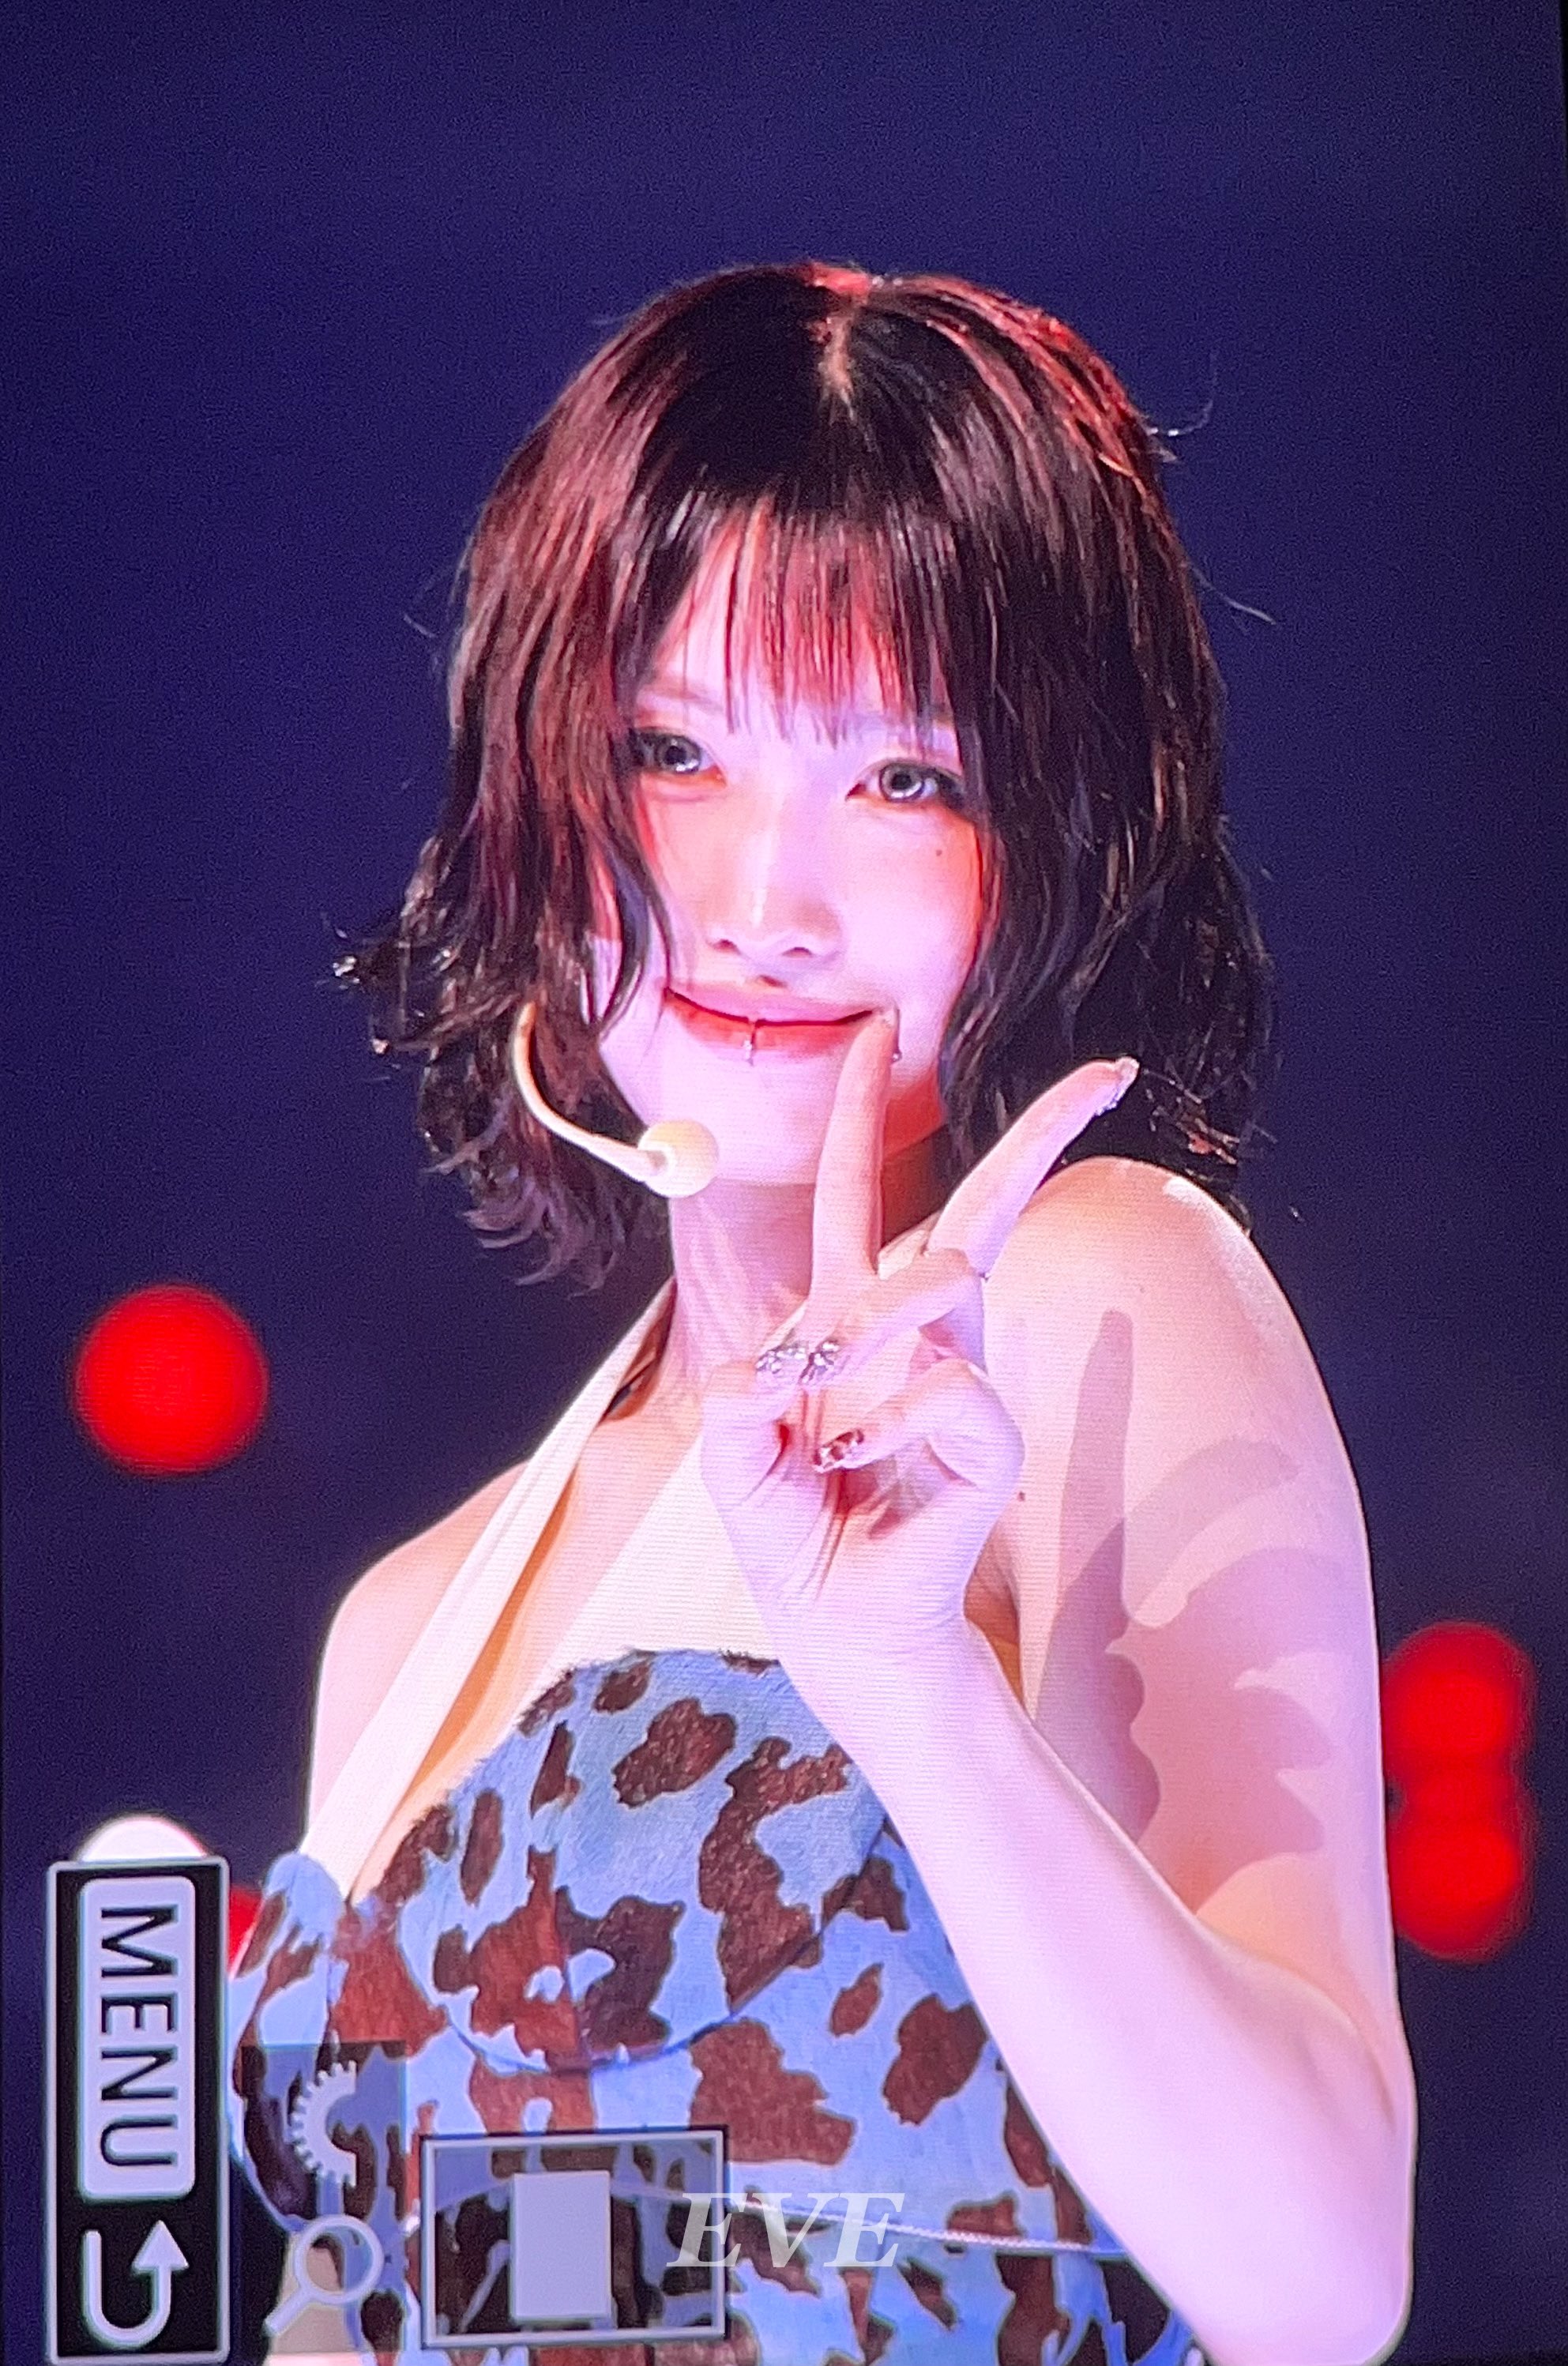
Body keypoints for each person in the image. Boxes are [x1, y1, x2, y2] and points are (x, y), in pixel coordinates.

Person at [227, 261, 1417, 2366]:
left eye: (902, 779)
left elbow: (1320, 2286)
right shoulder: (402, 1626)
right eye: (672, 751)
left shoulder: (1092, 1299)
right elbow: (495, 2297)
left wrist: (910, 1687)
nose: (763, 903)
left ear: (1054, 836)